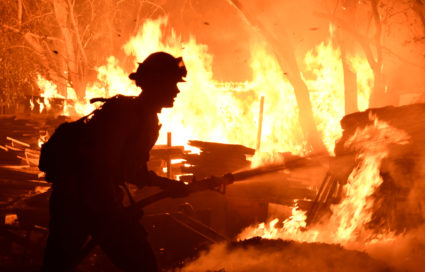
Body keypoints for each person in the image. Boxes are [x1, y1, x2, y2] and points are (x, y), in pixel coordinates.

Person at [41, 51, 189, 272]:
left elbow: (130, 171)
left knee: (142, 264)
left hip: (95, 202)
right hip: (76, 202)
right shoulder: (126, 115)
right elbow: (101, 164)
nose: (177, 91)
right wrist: (112, 209)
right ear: (156, 83)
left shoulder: (145, 118)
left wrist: (168, 185)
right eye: (172, 84)